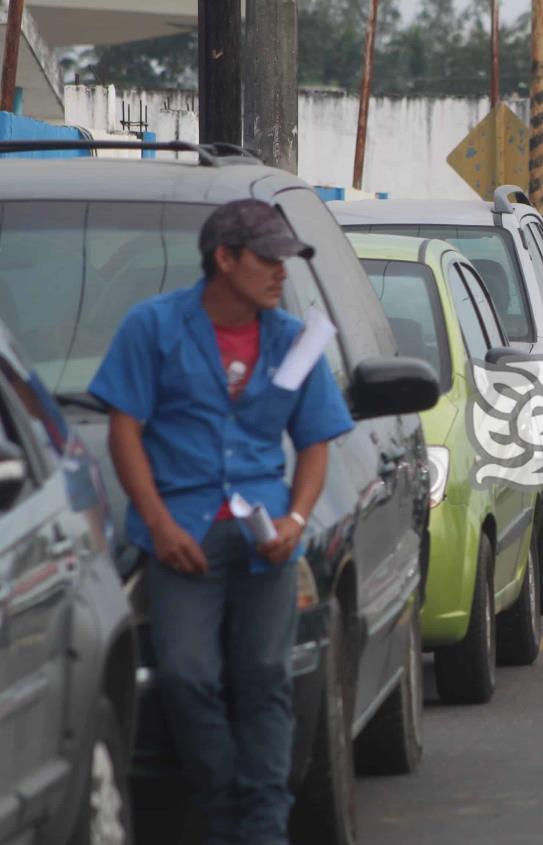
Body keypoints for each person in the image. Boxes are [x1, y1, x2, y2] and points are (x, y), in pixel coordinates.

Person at [90, 199, 354, 845]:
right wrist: (158, 523)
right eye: (267, 260)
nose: (279, 275)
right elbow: (125, 431)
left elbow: (315, 440)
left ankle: (262, 825)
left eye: (285, 262)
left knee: (266, 675)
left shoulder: (293, 339)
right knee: (186, 675)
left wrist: (296, 516)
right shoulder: (153, 326)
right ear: (224, 258)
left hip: (267, 539)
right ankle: (221, 803)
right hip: (182, 534)